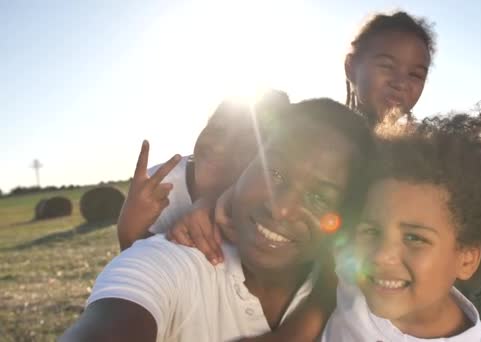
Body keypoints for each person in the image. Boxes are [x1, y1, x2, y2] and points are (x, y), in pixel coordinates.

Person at [173, 10, 481, 342]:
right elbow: (271, 180)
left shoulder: (422, 155)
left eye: (416, 74)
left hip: (464, 291)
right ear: (351, 65)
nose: (401, 82)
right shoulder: (323, 137)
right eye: (387, 65)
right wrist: (216, 200)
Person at [60, 98, 373, 342]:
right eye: (273, 172)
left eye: (320, 198)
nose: (282, 209)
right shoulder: (170, 263)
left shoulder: (366, 298)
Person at [323, 112, 481, 341]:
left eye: (414, 238)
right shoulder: (351, 280)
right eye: (371, 231)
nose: (381, 255)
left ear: (467, 259)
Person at [116, 90, 290, 251]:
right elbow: (136, 262)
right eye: (217, 128)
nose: (221, 147)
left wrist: (213, 203)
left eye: (244, 140)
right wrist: (128, 231)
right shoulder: (159, 186)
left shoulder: (267, 195)